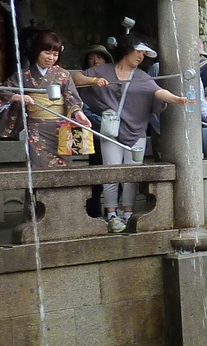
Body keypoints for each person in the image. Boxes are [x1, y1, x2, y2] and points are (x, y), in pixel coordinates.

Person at [81, 36, 191, 233]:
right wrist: (94, 80)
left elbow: (158, 92)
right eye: (138, 51)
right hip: (111, 132)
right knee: (111, 173)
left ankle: (128, 212)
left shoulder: (142, 77)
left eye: (144, 54)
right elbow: (76, 79)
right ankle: (112, 213)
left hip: (136, 132)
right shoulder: (102, 70)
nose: (141, 56)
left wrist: (177, 99)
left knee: (131, 175)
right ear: (127, 49)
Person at [0, 31, 94, 170]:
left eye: (55, 54)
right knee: (38, 166)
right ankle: (36, 192)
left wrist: (78, 113)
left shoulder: (63, 75)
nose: (51, 58)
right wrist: (19, 97)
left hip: (61, 127)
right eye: (47, 53)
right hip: (37, 128)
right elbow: (2, 90)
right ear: (37, 51)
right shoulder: (24, 75)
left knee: (64, 166)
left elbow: (71, 97)